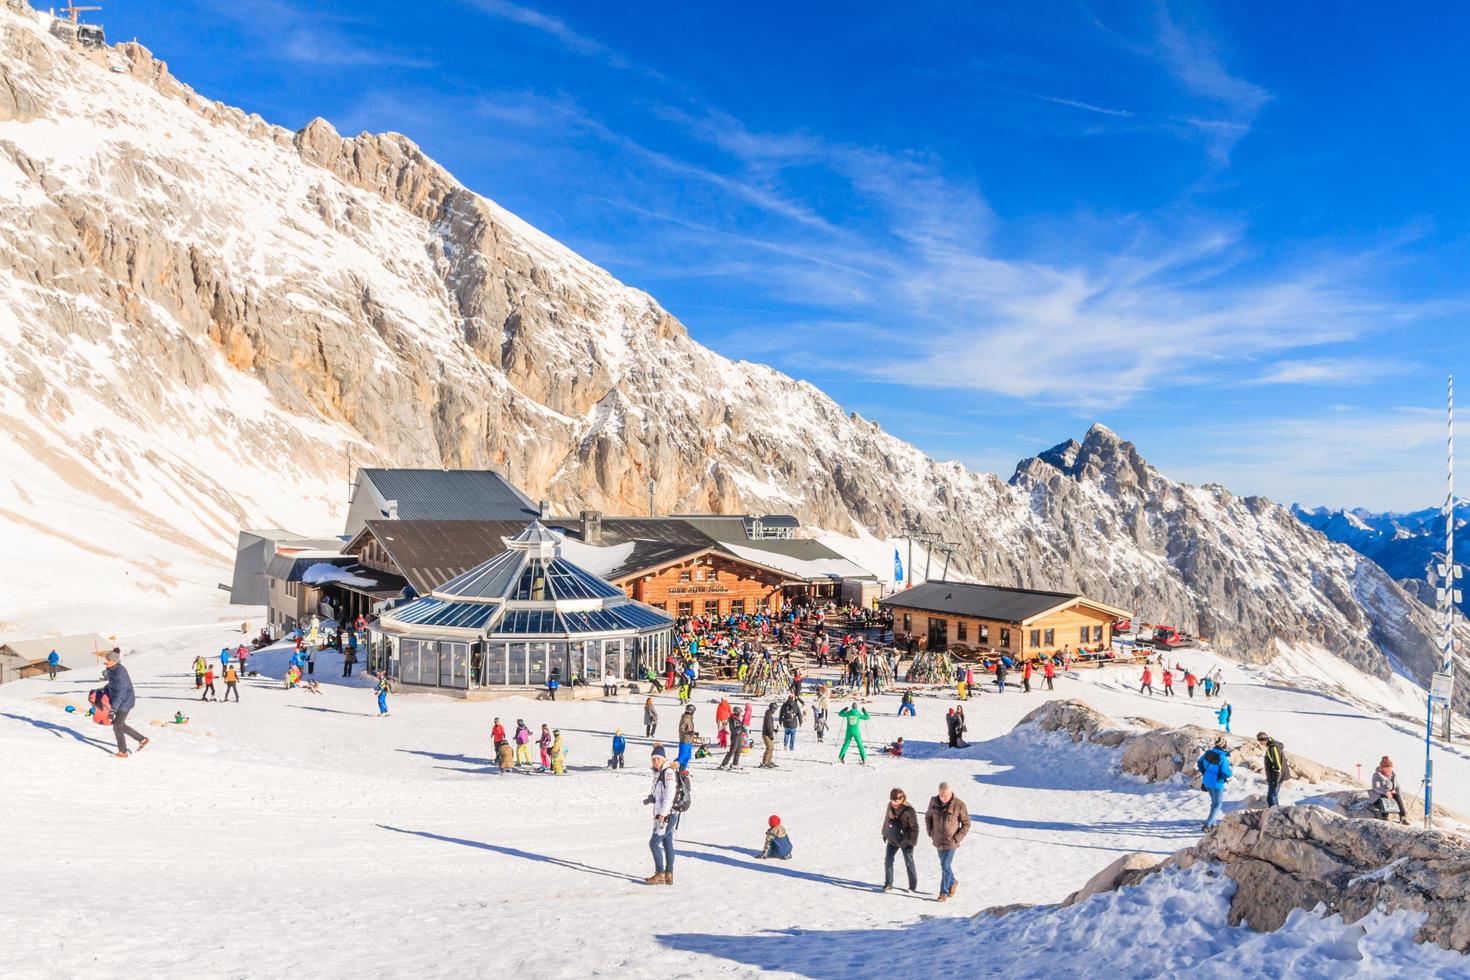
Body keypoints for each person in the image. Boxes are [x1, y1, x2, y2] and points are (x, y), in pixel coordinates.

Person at [98, 650, 148, 758]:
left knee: (117, 725)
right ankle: (142, 739)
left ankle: (123, 752)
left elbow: (120, 693)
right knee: (120, 724)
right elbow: (113, 684)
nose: (105, 662)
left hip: (124, 701)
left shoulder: (119, 673)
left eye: (107, 660)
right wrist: (105, 688)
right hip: (120, 700)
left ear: (113, 661)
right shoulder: (112, 669)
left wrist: (112, 710)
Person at [925, 782, 970, 901]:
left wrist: (956, 838)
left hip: (951, 842)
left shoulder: (959, 805)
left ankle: (943, 893)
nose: (943, 798)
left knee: (945, 865)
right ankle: (953, 882)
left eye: (946, 796)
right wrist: (930, 832)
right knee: (944, 866)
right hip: (938, 840)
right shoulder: (933, 801)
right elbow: (928, 817)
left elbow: (966, 824)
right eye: (941, 795)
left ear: (951, 793)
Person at [644, 745, 679, 885]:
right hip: (665, 814)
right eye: (653, 760)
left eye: (657, 759)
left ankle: (660, 873)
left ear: (663, 759)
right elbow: (660, 795)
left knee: (653, 844)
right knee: (667, 843)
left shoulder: (668, 772)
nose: (655, 762)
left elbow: (670, 795)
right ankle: (669, 874)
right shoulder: (659, 773)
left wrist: (662, 815)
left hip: (667, 815)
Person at [881, 787, 919, 892]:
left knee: (909, 862)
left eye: (896, 801)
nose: (894, 803)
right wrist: (884, 833)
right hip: (892, 838)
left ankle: (912, 886)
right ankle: (888, 884)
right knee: (888, 860)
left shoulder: (909, 810)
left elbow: (914, 828)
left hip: (905, 841)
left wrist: (911, 842)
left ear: (902, 799)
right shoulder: (890, 805)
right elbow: (886, 820)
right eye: (892, 800)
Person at [1198, 737, 1233, 830]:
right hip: (1217, 783)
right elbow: (1225, 772)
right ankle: (1208, 825)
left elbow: (1199, 762)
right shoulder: (1222, 757)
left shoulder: (1208, 753)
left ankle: (1213, 824)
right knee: (1217, 804)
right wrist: (1230, 773)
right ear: (1223, 745)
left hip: (1207, 782)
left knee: (1214, 803)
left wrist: (1205, 773)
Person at [1368, 756, 1409, 824]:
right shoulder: (1377, 775)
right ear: (1382, 768)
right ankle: (1385, 817)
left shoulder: (1392, 775)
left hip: (1390, 793)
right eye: (1387, 768)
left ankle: (1403, 817)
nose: (1389, 770)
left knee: (1398, 799)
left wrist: (1393, 790)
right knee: (1383, 800)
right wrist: (1386, 792)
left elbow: (1396, 785)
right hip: (1379, 794)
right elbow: (1376, 788)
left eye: (1390, 768)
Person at [1258, 731, 1287, 807]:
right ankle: (1275, 812)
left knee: (1272, 796)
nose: (1260, 743)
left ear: (1264, 740)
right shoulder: (1270, 747)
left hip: (1276, 776)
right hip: (1273, 776)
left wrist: (1276, 779)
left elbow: (1277, 765)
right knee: (1271, 796)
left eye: (1260, 741)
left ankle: (1275, 813)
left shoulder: (1273, 748)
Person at [678, 705, 697, 770]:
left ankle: (683, 771)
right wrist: (688, 733)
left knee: (687, 757)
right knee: (682, 758)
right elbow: (681, 729)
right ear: (691, 711)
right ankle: (671, 768)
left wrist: (693, 732)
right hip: (685, 740)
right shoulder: (685, 718)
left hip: (689, 740)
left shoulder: (689, 718)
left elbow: (688, 729)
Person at [760, 702, 779, 768]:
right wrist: (771, 734)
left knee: (771, 748)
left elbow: (770, 726)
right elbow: (768, 726)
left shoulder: (769, 715)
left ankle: (769, 761)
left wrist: (774, 730)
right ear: (772, 709)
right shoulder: (768, 716)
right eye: (774, 709)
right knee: (769, 748)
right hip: (766, 734)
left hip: (768, 733)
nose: (775, 711)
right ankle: (765, 762)